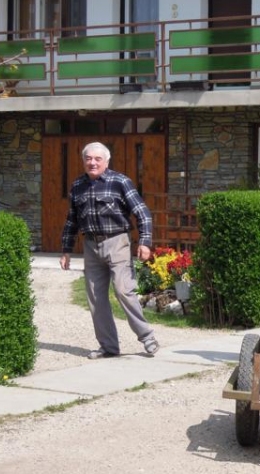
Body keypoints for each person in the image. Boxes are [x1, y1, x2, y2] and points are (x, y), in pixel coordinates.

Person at [59, 141, 159, 358]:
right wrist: (66, 250)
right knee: (95, 297)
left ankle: (147, 337)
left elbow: (142, 212)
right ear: (83, 161)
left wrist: (144, 241)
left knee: (124, 290)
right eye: (88, 158)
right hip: (91, 245)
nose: (92, 163)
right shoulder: (77, 186)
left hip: (117, 242)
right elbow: (71, 220)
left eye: (97, 159)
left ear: (106, 161)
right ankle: (109, 347)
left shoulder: (120, 182)